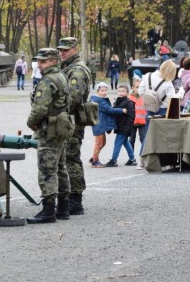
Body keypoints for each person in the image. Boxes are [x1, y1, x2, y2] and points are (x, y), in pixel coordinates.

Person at [26, 48, 72, 224]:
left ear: (53, 61)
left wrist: (31, 123)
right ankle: (63, 208)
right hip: (61, 126)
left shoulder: (47, 81)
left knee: (47, 169)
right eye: (38, 61)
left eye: (43, 61)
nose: (39, 64)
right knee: (60, 167)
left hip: (49, 130)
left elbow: (39, 109)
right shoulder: (61, 77)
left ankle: (48, 211)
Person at [57, 37, 92, 215]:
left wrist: (54, 105)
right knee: (67, 158)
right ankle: (68, 197)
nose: (62, 53)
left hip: (72, 121)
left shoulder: (77, 70)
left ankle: (75, 199)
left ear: (75, 49)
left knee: (71, 159)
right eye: (60, 50)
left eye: (66, 50)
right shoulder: (67, 67)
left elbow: (74, 98)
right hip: (68, 121)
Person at [138, 60, 178, 169]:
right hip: (163, 111)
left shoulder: (147, 76)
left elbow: (140, 91)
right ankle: (161, 161)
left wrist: (151, 98)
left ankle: (142, 160)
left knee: (147, 135)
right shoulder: (168, 83)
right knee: (161, 137)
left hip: (149, 109)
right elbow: (172, 100)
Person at [90, 82, 129, 168]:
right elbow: (109, 110)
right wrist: (121, 110)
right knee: (99, 143)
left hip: (100, 124)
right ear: (97, 91)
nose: (104, 92)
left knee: (102, 143)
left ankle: (93, 158)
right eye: (102, 90)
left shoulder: (99, 99)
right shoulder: (99, 101)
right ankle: (95, 161)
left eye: (105, 90)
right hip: (99, 125)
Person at [106, 84, 136, 167]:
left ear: (127, 93)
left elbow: (131, 117)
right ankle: (132, 159)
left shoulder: (128, 103)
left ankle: (113, 160)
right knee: (126, 143)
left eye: (123, 91)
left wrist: (127, 128)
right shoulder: (117, 102)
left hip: (124, 127)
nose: (121, 93)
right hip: (119, 126)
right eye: (119, 91)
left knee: (117, 143)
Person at [128, 78, 147, 150]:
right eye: (137, 87)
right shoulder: (129, 98)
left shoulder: (143, 97)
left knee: (143, 139)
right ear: (132, 87)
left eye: (141, 87)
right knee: (131, 140)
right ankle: (131, 158)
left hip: (142, 122)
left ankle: (144, 156)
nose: (139, 89)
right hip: (132, 122)